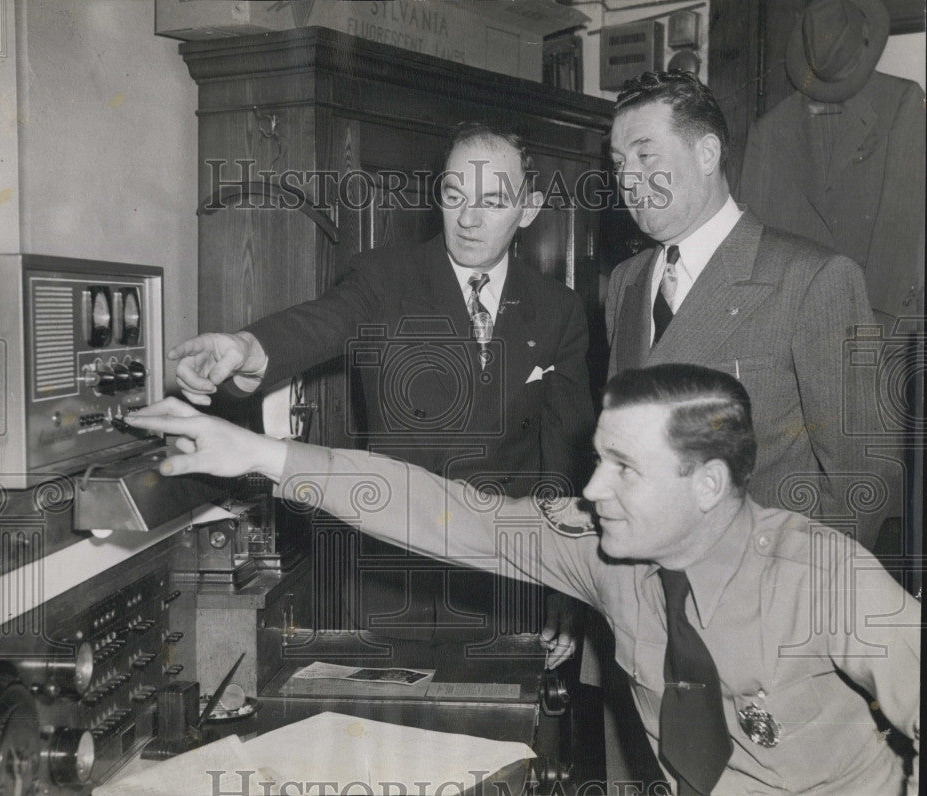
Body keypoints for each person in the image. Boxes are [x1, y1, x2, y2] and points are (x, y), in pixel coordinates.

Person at [126, 363, 920, 795]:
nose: (593, 489)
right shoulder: (608, 553)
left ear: (708, 485)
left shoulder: (825, 577)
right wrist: (263, 457)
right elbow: (443, 510)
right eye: (596, 459)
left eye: (622, 469)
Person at [168, 121, 596, 664]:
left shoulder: (558, 310)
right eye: (453, 195)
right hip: (394, 585)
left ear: (528, 208)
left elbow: (563, 461)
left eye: (492, 201)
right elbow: (324, 323)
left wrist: (564, 584)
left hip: (507, 592)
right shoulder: (384, 277)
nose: (467, 219)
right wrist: (246, 346)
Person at [604, 70, 899, 551]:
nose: (629, 179)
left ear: (706, 154)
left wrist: (801, 587)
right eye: (619, 164)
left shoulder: (812, 279)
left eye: (645, 154)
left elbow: (862, 475)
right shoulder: (625, 283)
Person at [739, 0, 925, 324]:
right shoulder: (769, 131)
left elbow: (904, 225)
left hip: (882, 320)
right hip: (794, 326)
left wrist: (871, 330)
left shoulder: (901, 104)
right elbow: (749, 244)